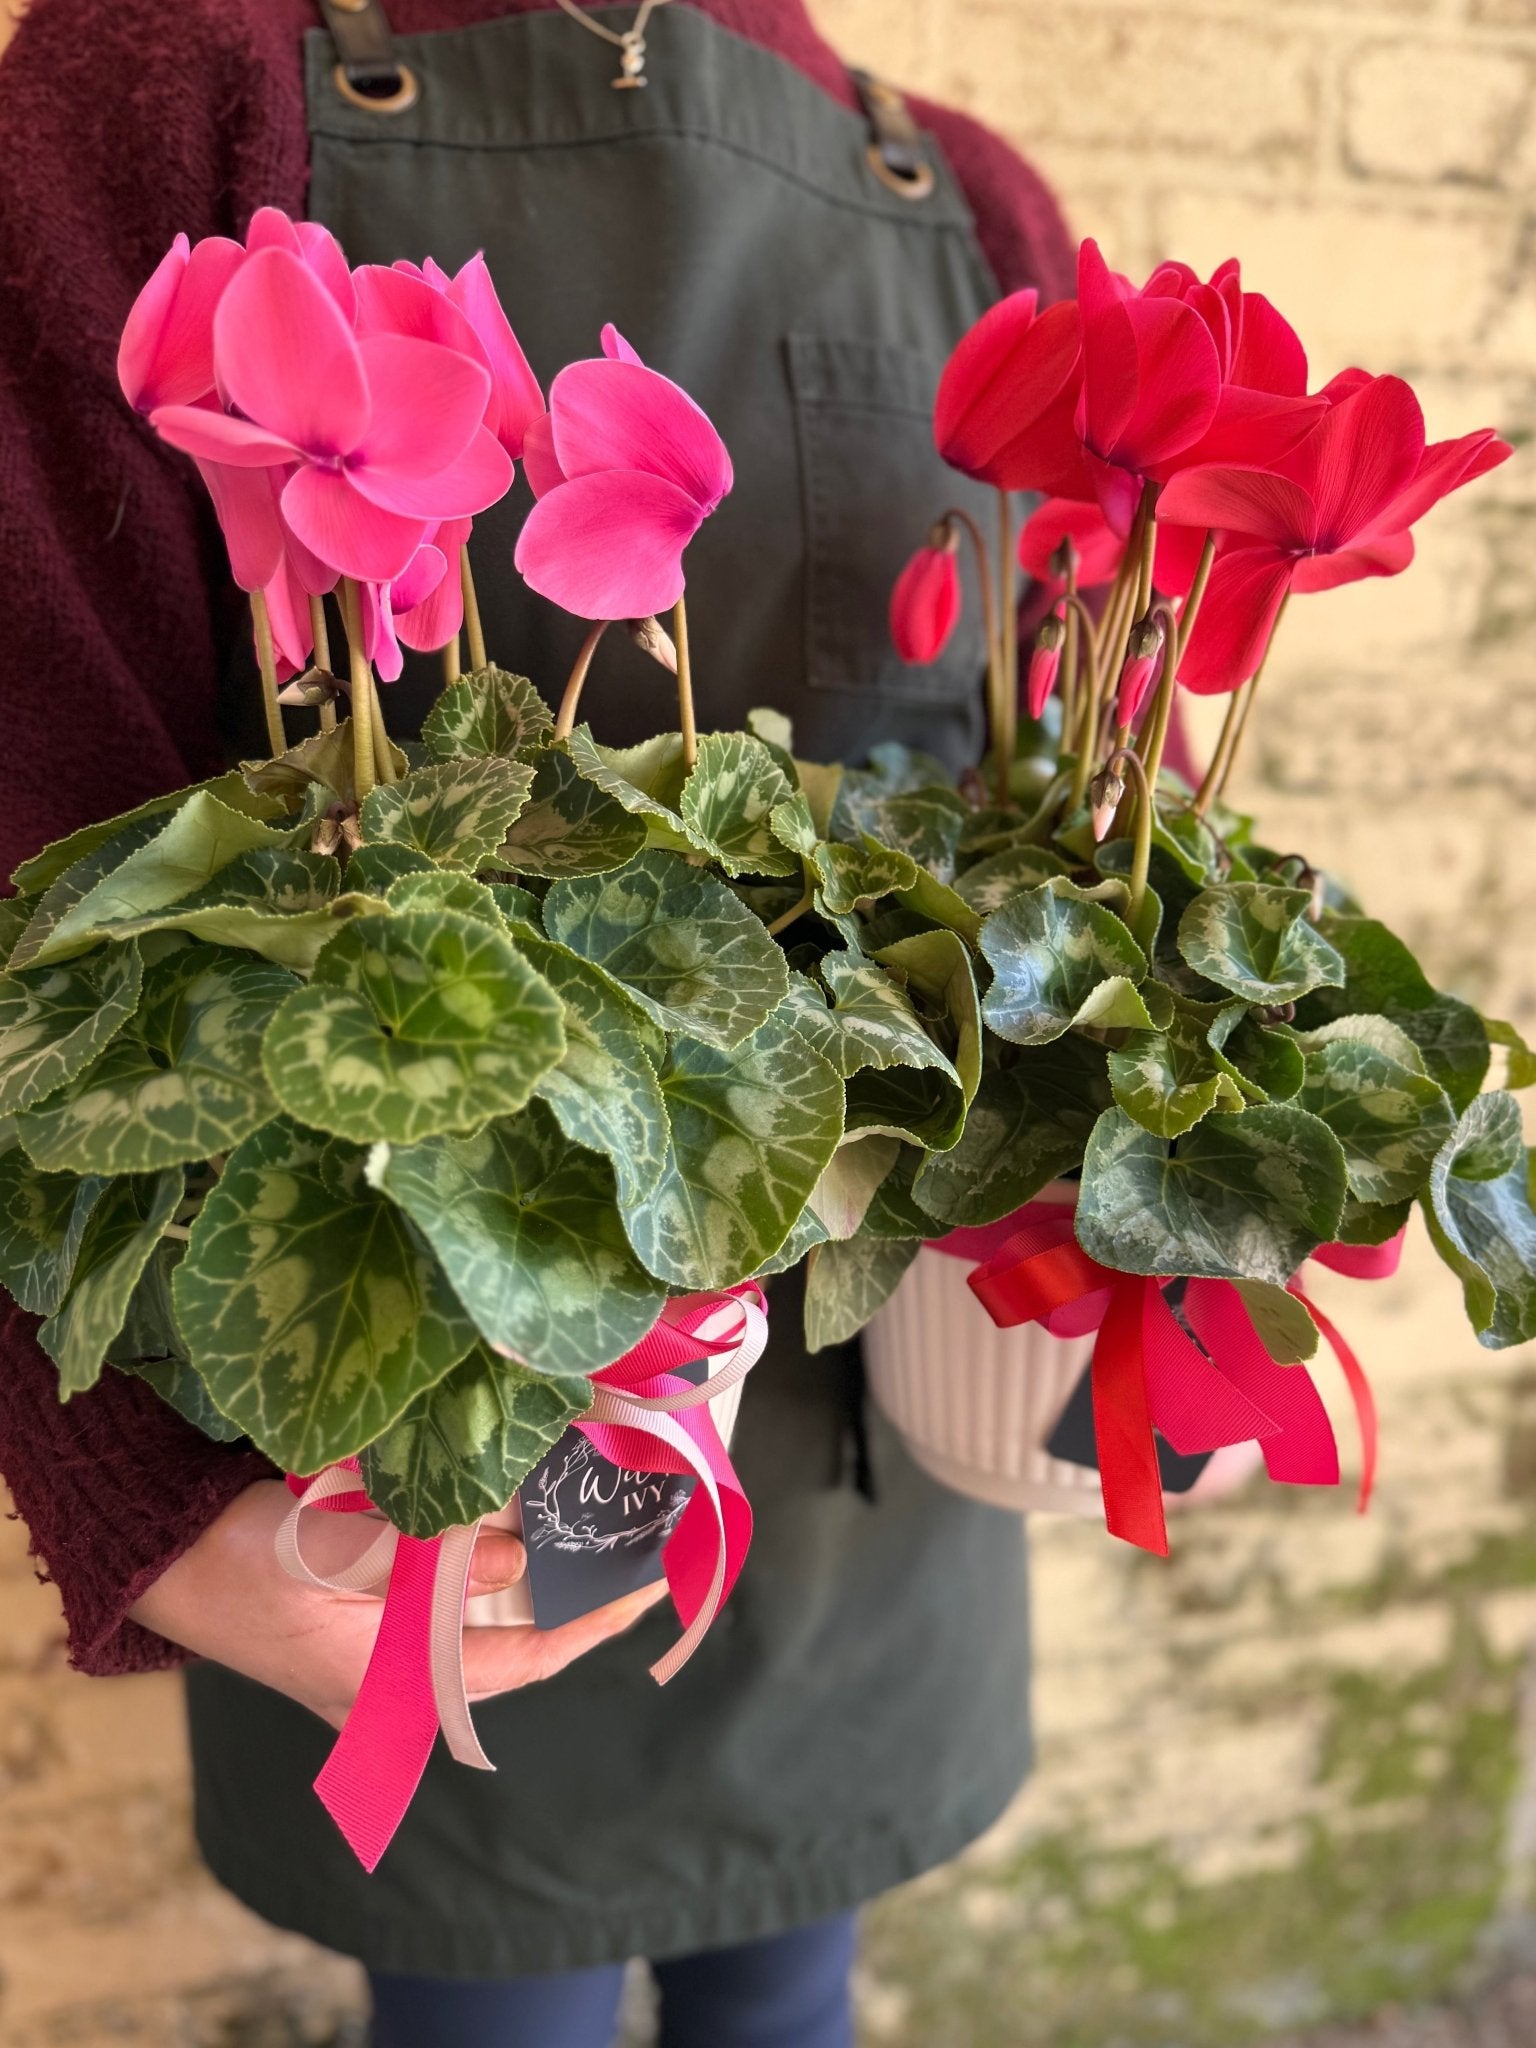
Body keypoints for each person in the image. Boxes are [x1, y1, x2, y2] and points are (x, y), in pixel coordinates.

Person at [0, 3, 1074, 2041]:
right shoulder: (169, 80)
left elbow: (1057, 809)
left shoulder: (975, 206)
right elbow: (32, 857)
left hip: (869, 1444)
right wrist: (135, 1490)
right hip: (427, 1434)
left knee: (797, 1995)